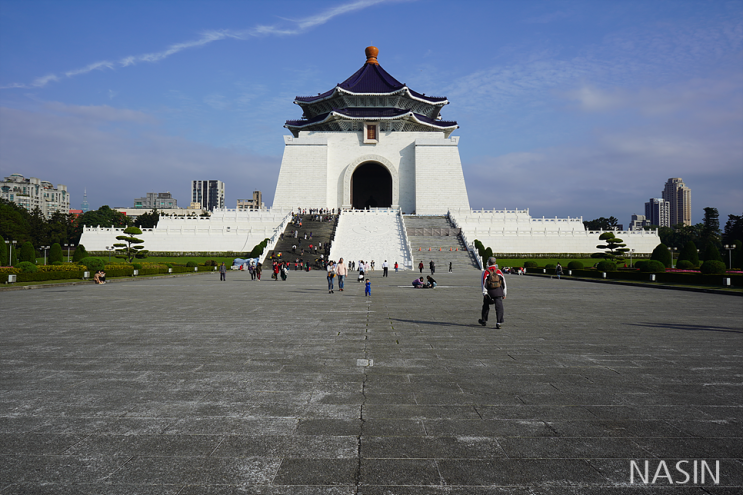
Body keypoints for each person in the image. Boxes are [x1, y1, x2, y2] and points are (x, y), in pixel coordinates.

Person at [479, 257, 507, 329]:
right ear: (495, 263)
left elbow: (484, 282)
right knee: (499, 307)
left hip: (489, 292)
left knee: (485, 306)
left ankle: (484, 320)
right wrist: (504, 293)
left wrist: (484, 292)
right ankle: (499, 322)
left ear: (488, 263)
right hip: (498, 291)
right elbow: (503, 283)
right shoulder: (499, 271)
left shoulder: (486, 271)